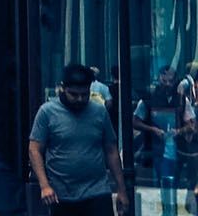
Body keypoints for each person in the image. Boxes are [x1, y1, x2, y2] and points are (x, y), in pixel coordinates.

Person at [31, 65, 128, 216]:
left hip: (97, 191)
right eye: (74, 94)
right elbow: (34, 149)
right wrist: (44, 185)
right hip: (61, 194)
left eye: (84, 94)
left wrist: (121, 190)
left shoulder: (99, 111)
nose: (80, 99)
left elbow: (111, 150)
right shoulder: (47, 112)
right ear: (63, 88)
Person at [136, 67, 190, 216]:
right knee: (164, 183)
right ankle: (168, 211)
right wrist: (152, 129)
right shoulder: (148, 99)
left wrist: (179, 131)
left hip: (177, 150)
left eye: (170, 81)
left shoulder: (181, 100)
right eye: (164, 80)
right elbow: (135, 121)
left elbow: (192, 124)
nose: (167, 84)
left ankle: (170, 210)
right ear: (158, 79)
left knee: (174, 183)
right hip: (156, 150)